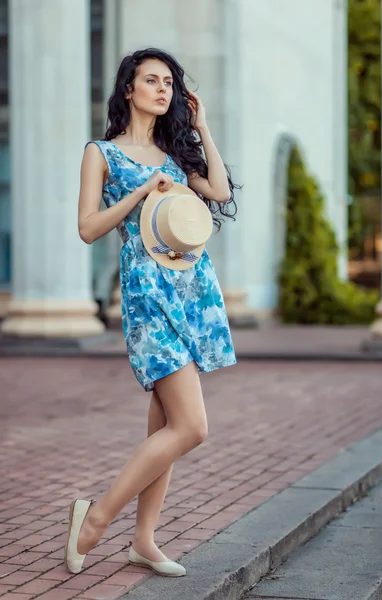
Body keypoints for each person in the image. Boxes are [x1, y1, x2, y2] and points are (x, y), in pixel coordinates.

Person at [65, 48, 239, 577]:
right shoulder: (101, 152)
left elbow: (220, 190)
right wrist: (141, 191)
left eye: (170, 82)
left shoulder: (172, 152)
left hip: (191, 289)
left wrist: (203, 127)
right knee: (192, 427)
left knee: (165, 424)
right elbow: (89, 228)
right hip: (146, 295)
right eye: (152, 80)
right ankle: (96, 519)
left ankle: (143, 539)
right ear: (128, 90)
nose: (163, 89)